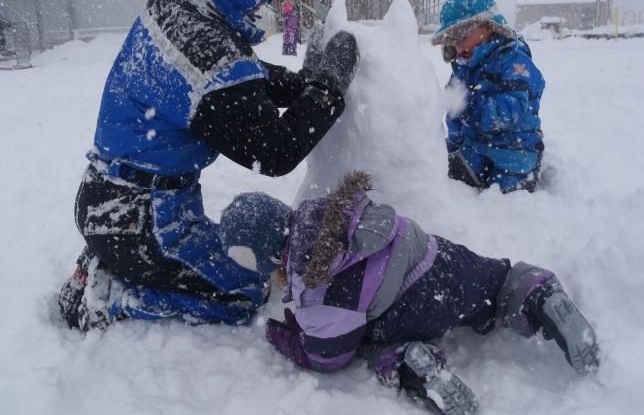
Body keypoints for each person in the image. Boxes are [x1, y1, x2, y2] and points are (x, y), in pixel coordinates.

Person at [57, 0, 360, 331]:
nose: (269, 3)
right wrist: (327, 90)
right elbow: (272, 151)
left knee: (224, 261)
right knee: (241, 293)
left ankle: (114, 254)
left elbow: (240, 76)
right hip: (142, 216)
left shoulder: (179, 3)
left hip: (117, 198)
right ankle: (111, 296)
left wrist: (300, 86)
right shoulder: (205, 53)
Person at [219, 172, 599, 414]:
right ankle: (535, 294)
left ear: (268, 259)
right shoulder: (325, 211)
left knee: (370, 341)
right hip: (434, 256)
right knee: (494, 284)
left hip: (408, 310)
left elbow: (327, 356)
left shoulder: (316, 292)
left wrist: (286, 334)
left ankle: (411, 363)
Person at [432, 0, 545, 193]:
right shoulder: (463, 68)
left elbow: (513, 109)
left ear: (488, 26)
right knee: (449, 173)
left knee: (508, 193)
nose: (458, 48)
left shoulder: (514, 62)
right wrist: (455, 143)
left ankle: (516, 190)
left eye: (463, 38)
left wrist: (473, 105)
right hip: (477, 147)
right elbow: (454, 110)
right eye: (453, 42)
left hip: (515, 149)